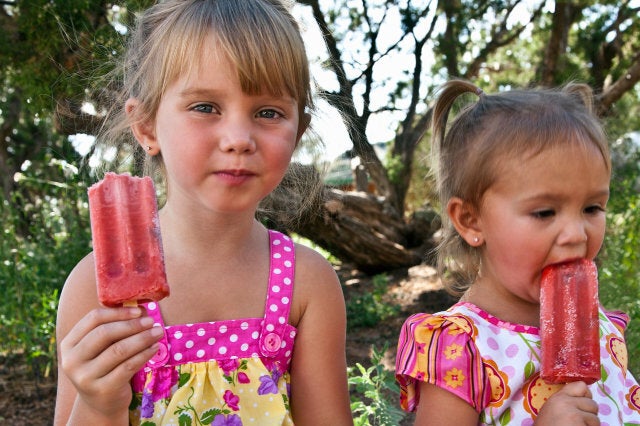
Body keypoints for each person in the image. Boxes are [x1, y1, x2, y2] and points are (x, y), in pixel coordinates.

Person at [54, 1, 353, 425]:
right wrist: (99, 403)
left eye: (269, 113)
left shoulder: (307, 282)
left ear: (297, 133)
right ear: (147, 126)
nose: (238, 139)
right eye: (205, 107)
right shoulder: (92, 290)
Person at [395, 79, 640, 425]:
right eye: (544, 212)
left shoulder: (593, 323)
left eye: (592, 208)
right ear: (471, 220)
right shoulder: (462, 350)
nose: (576, 233)